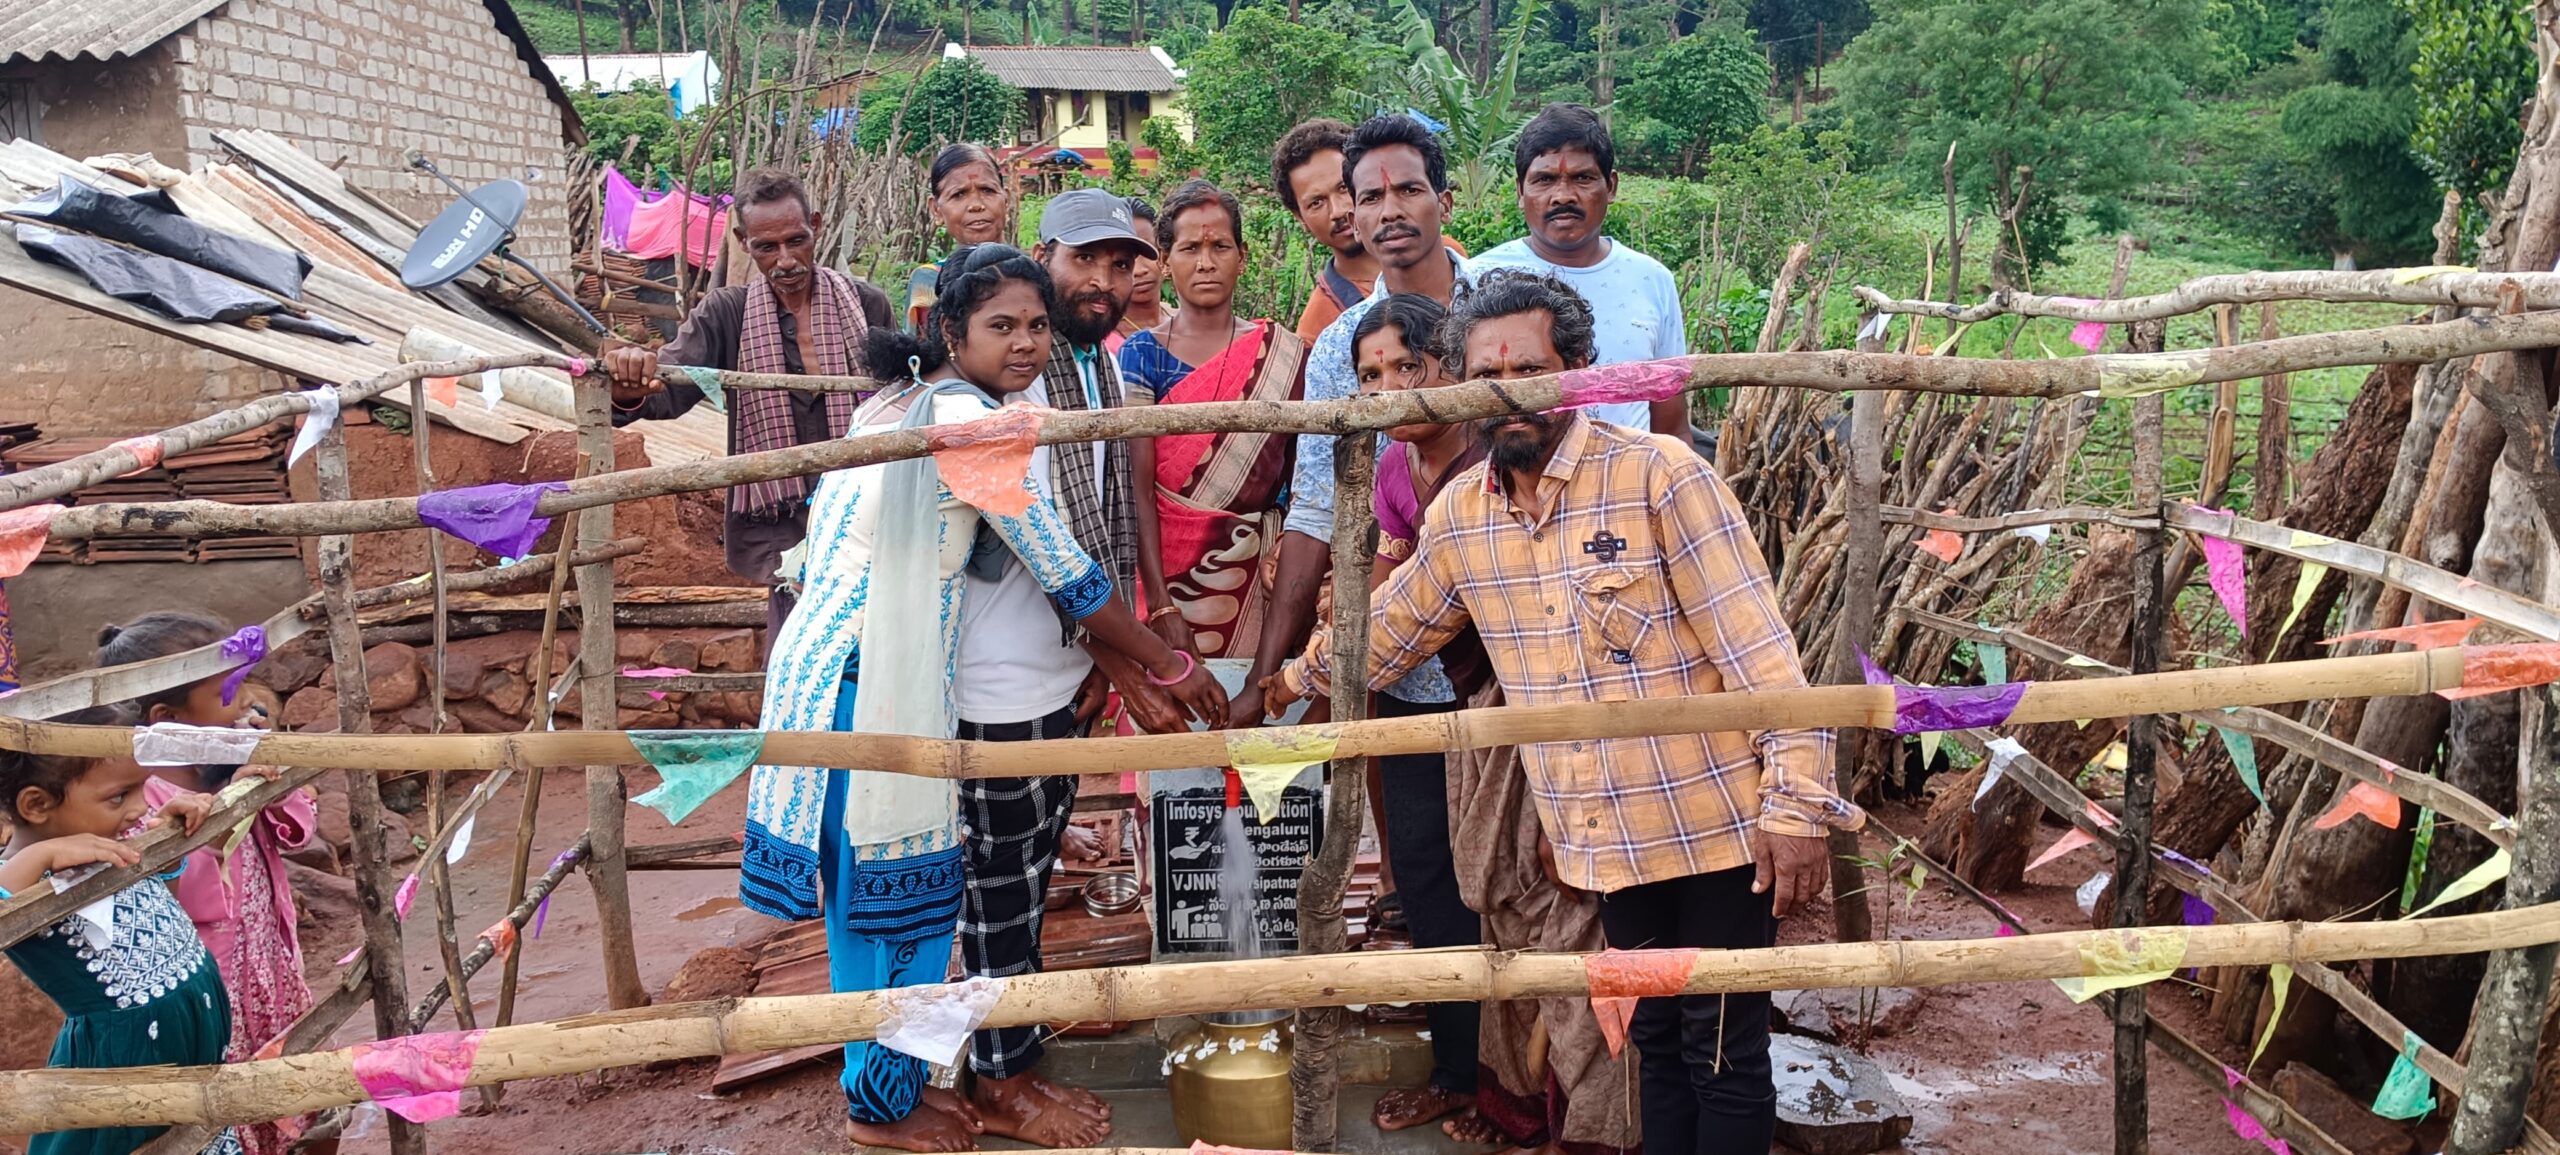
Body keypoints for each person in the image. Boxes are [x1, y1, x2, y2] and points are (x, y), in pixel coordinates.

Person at [1268, 271, 1865, 1155]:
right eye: (1488, 375)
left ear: (1580, 369)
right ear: (1463, 383)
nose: (1510, 393)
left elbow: (1765, 655)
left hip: (1718, 826)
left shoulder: (1659, 476)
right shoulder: (1464, 517)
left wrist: (1796, 808)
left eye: (1531, 368)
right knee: (1653, 1040)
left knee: (1722, 1051)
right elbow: (1390, 633)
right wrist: (1284, 684)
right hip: (1604, 840)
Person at [740, 244, 1224, 1153]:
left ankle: (889, 1090)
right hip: (864, 675)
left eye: (1037, 324)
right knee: (888, 904)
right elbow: (1063, 566)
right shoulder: (968, 417)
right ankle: (877, 1109)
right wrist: (1161, 664)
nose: (1028, 343)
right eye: (1002, 326)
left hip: (847, 663)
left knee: (892, 897)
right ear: (951, 332)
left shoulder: (910, 398)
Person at [933, 187, 1171, 1141]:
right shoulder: (1007, 391)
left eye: (1122, 265)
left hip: (1053, 673)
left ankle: (1008, 1052)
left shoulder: (1098, 369)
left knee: (1021, 876)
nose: (1105, 283)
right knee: (997, 884)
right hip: (995, 681)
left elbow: (1106, 521)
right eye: (1087, 262)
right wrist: (1139, 663)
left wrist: (1103, 666)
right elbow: (1057, 552)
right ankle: (999, 1075)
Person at [1236, 113, 1479, 933]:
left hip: (1525, 647)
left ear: (1445, 199)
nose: (1387, 209)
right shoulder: (1339, 344)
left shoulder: (1509, 313)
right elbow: (1315, 506)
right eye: (1366, 194)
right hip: (1406, 651)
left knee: (1525, 857)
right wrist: (1268, 675)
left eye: (1407, 188)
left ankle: (1526, 1059)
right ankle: (1455, 1057)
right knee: (1424, 862)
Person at [605, 169, 898, 649]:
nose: (785, 260)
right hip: (782, 526)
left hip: (868, 513)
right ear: (743, 242)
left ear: (817, 227)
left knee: (879, 651)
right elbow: (666, 390)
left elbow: (897, 400)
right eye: (766, 247)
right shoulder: (727, 313)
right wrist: (628, 382)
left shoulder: (866, 304)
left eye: (795, 241)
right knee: (801, 655)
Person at [1346, 293, 1493, 1132]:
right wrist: (1352, 656)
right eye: (1372, 375)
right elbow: (1389, 582)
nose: (1393, 387)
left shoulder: (1487, 455)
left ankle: (1507, 1083)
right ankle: (1455, 1070)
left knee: (1499, 881)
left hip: (1489, 702)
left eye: (1409, 366)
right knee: (1431, 883)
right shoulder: (1397, 467)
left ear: (1449, 367)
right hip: (1409, 693)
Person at [99, 614, 319, 1155]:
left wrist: (264, 777)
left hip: (268, 965)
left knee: (295, 1083)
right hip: (213, 984)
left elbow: (298, 832)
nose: (245, 701)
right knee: (230, 1091)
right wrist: (223, 811)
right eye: (228, 692)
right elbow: (175, 888)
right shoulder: (143, 800)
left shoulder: (233, 753)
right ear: (167, 719)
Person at [1, 704, 240, 1155]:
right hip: (125, 1061)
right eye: (119, 796)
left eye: (142, 789)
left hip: (193, 1039)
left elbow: (160, 886)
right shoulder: (24, 878)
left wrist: (165, 832)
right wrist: (39, 856)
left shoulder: (109, 844)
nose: (137, 807)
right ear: (36, 805)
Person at [1117, 179, 1307, 661]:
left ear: (1242, 257)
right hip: (1161, 569)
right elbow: (1135, 483)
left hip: (1253, 568)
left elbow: (1297, 473)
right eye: (1189, 248)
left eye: (1219, 246)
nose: (1205, 262)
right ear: (1165, 260)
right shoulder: (1144, 353)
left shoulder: (1280, 354)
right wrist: (1160, 604)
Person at [1470, 104, 1691, 437]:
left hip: (1632, 483)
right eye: (1544, 180)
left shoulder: (1651, 279)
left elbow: (1671, 422)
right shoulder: (1480, 278)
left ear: (1611, 187)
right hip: (1518, 483)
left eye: (1582, 178)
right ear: (1520, 192)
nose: (1562, 196)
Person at [1272, 119, 1470, 344]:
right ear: (1300, 218)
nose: (1337, 211)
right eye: (1316, 202)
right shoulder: (1319, 327)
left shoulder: (1448, 253)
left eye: (1343, 188)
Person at [910, 143, 1016, 331]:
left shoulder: (1031, 274)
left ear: (1006, 200)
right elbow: (920, 355)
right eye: (959, 195)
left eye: (988, 190)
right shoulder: (929, 280)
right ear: (936, 209)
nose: (976, 205)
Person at [1108, 197, 1172, 353]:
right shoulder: (1104, 341)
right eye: (1124, 260)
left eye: (1147, 251)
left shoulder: (1187, 322)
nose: (1139, 270)